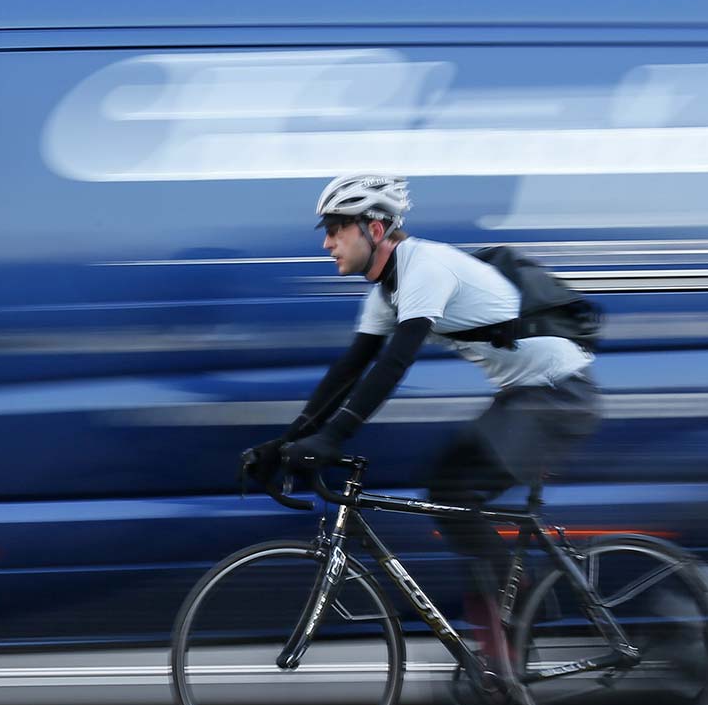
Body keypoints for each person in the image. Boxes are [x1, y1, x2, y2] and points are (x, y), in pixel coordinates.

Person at [239, 173, 602, 675]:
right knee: (450, 495)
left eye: (336, 229)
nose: (327, 244)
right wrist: (286, 442)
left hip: (560, 396)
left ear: (375, 229)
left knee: (455, 492)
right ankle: (505, 647)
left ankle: (518, 631)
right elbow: (349, 371)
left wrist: (333, 436)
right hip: (527, 397)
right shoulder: (386, 293)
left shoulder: (425, 267)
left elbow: (394, 363)